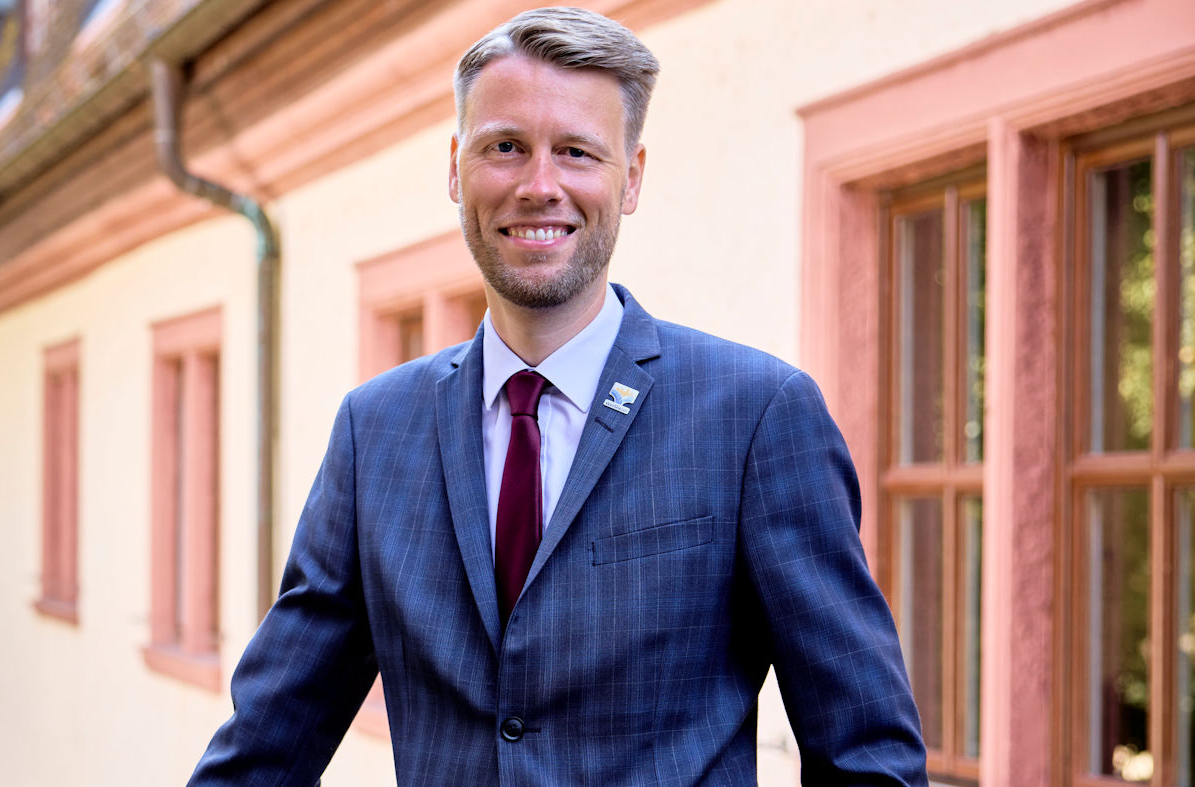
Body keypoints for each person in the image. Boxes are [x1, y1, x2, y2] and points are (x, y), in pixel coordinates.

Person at [188, 7, 927, 784]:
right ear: (455, 167)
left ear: (631, 177)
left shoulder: (756, 415)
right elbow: (268, 743)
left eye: (577, 152)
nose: (540, 186)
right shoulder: (375, 432)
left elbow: (866, 753)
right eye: (505, 147)